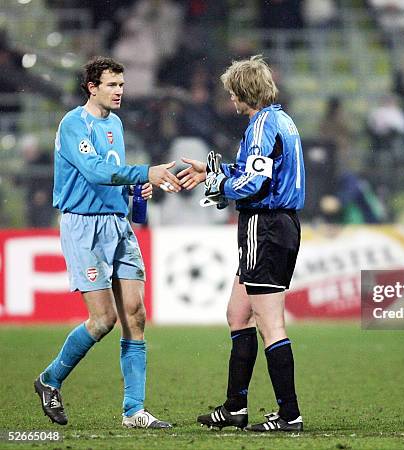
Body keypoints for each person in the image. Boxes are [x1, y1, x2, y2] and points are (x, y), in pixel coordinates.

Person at [34, 56, 181, 428]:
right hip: (84, 227)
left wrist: (136, 186)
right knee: (103, 321)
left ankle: (134, 411)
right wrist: (145, 171)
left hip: (118, 224)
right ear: (92, 87)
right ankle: (49, 380)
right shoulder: (73, 124)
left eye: (121, 85)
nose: (119, 91)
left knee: (136, 314)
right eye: (112, 85)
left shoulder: (115, 123)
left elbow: (114, 170)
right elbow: (96, 171)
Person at [178, 55, 305, 432]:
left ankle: (289, 414)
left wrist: (218, 185)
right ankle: (235, 407)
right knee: (238, 313)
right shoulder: (279, 120)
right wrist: (213, 171)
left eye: (232, 92)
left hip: (264, 225)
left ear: (241, 91)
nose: (229, 99)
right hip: (274, 225)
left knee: (270, 323)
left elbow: (255, 184)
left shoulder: (262, 125)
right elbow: (254, 170)